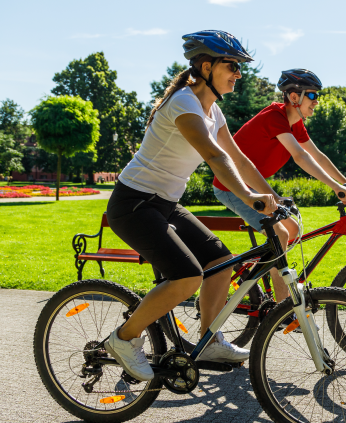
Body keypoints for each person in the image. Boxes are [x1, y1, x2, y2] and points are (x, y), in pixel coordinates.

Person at [104, 30, 281, 382]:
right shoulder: (184, 104)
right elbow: (214, 156)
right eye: (232, 66)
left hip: (164, 203)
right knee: (187, 277)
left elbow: (239, 159)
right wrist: (248, 198)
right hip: (133, 203)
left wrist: (271, 197)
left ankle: (208, 338)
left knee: (219, 261)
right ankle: (123, 339)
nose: (238, 74)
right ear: (206, 66)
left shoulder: (212, 111)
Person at [212, 69, 346, 307]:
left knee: (291, 230)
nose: (316, 101)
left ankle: (267, 279)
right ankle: (283, 308)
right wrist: (335, 188)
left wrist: (345, 183)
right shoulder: (275, 117)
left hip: (255, 186)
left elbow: (317, 156)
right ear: (294, 98)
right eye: (312, 95)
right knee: (280, 234)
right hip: (232, 187)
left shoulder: (295, 123)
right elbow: (300, 157)